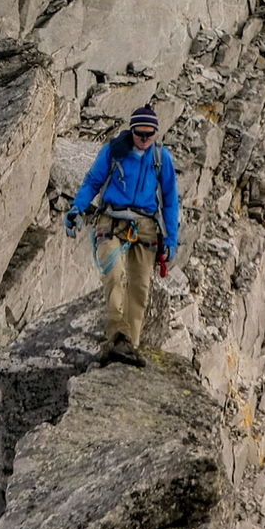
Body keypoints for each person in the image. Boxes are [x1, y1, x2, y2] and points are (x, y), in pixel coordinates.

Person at [64, 104, 180, 367]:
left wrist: (171, 239)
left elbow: (171, 200)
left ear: (156, 133)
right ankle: (117, 338)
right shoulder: (114, 152)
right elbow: (92, 182)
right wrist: (77, 208)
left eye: (149, 135)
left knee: (140, 287)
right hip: (111, 220)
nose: (144, 140)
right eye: (139, 134)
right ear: (132, 130)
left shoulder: (161, 158)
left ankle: (130, 346)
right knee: (114, 274)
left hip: (146, 226)